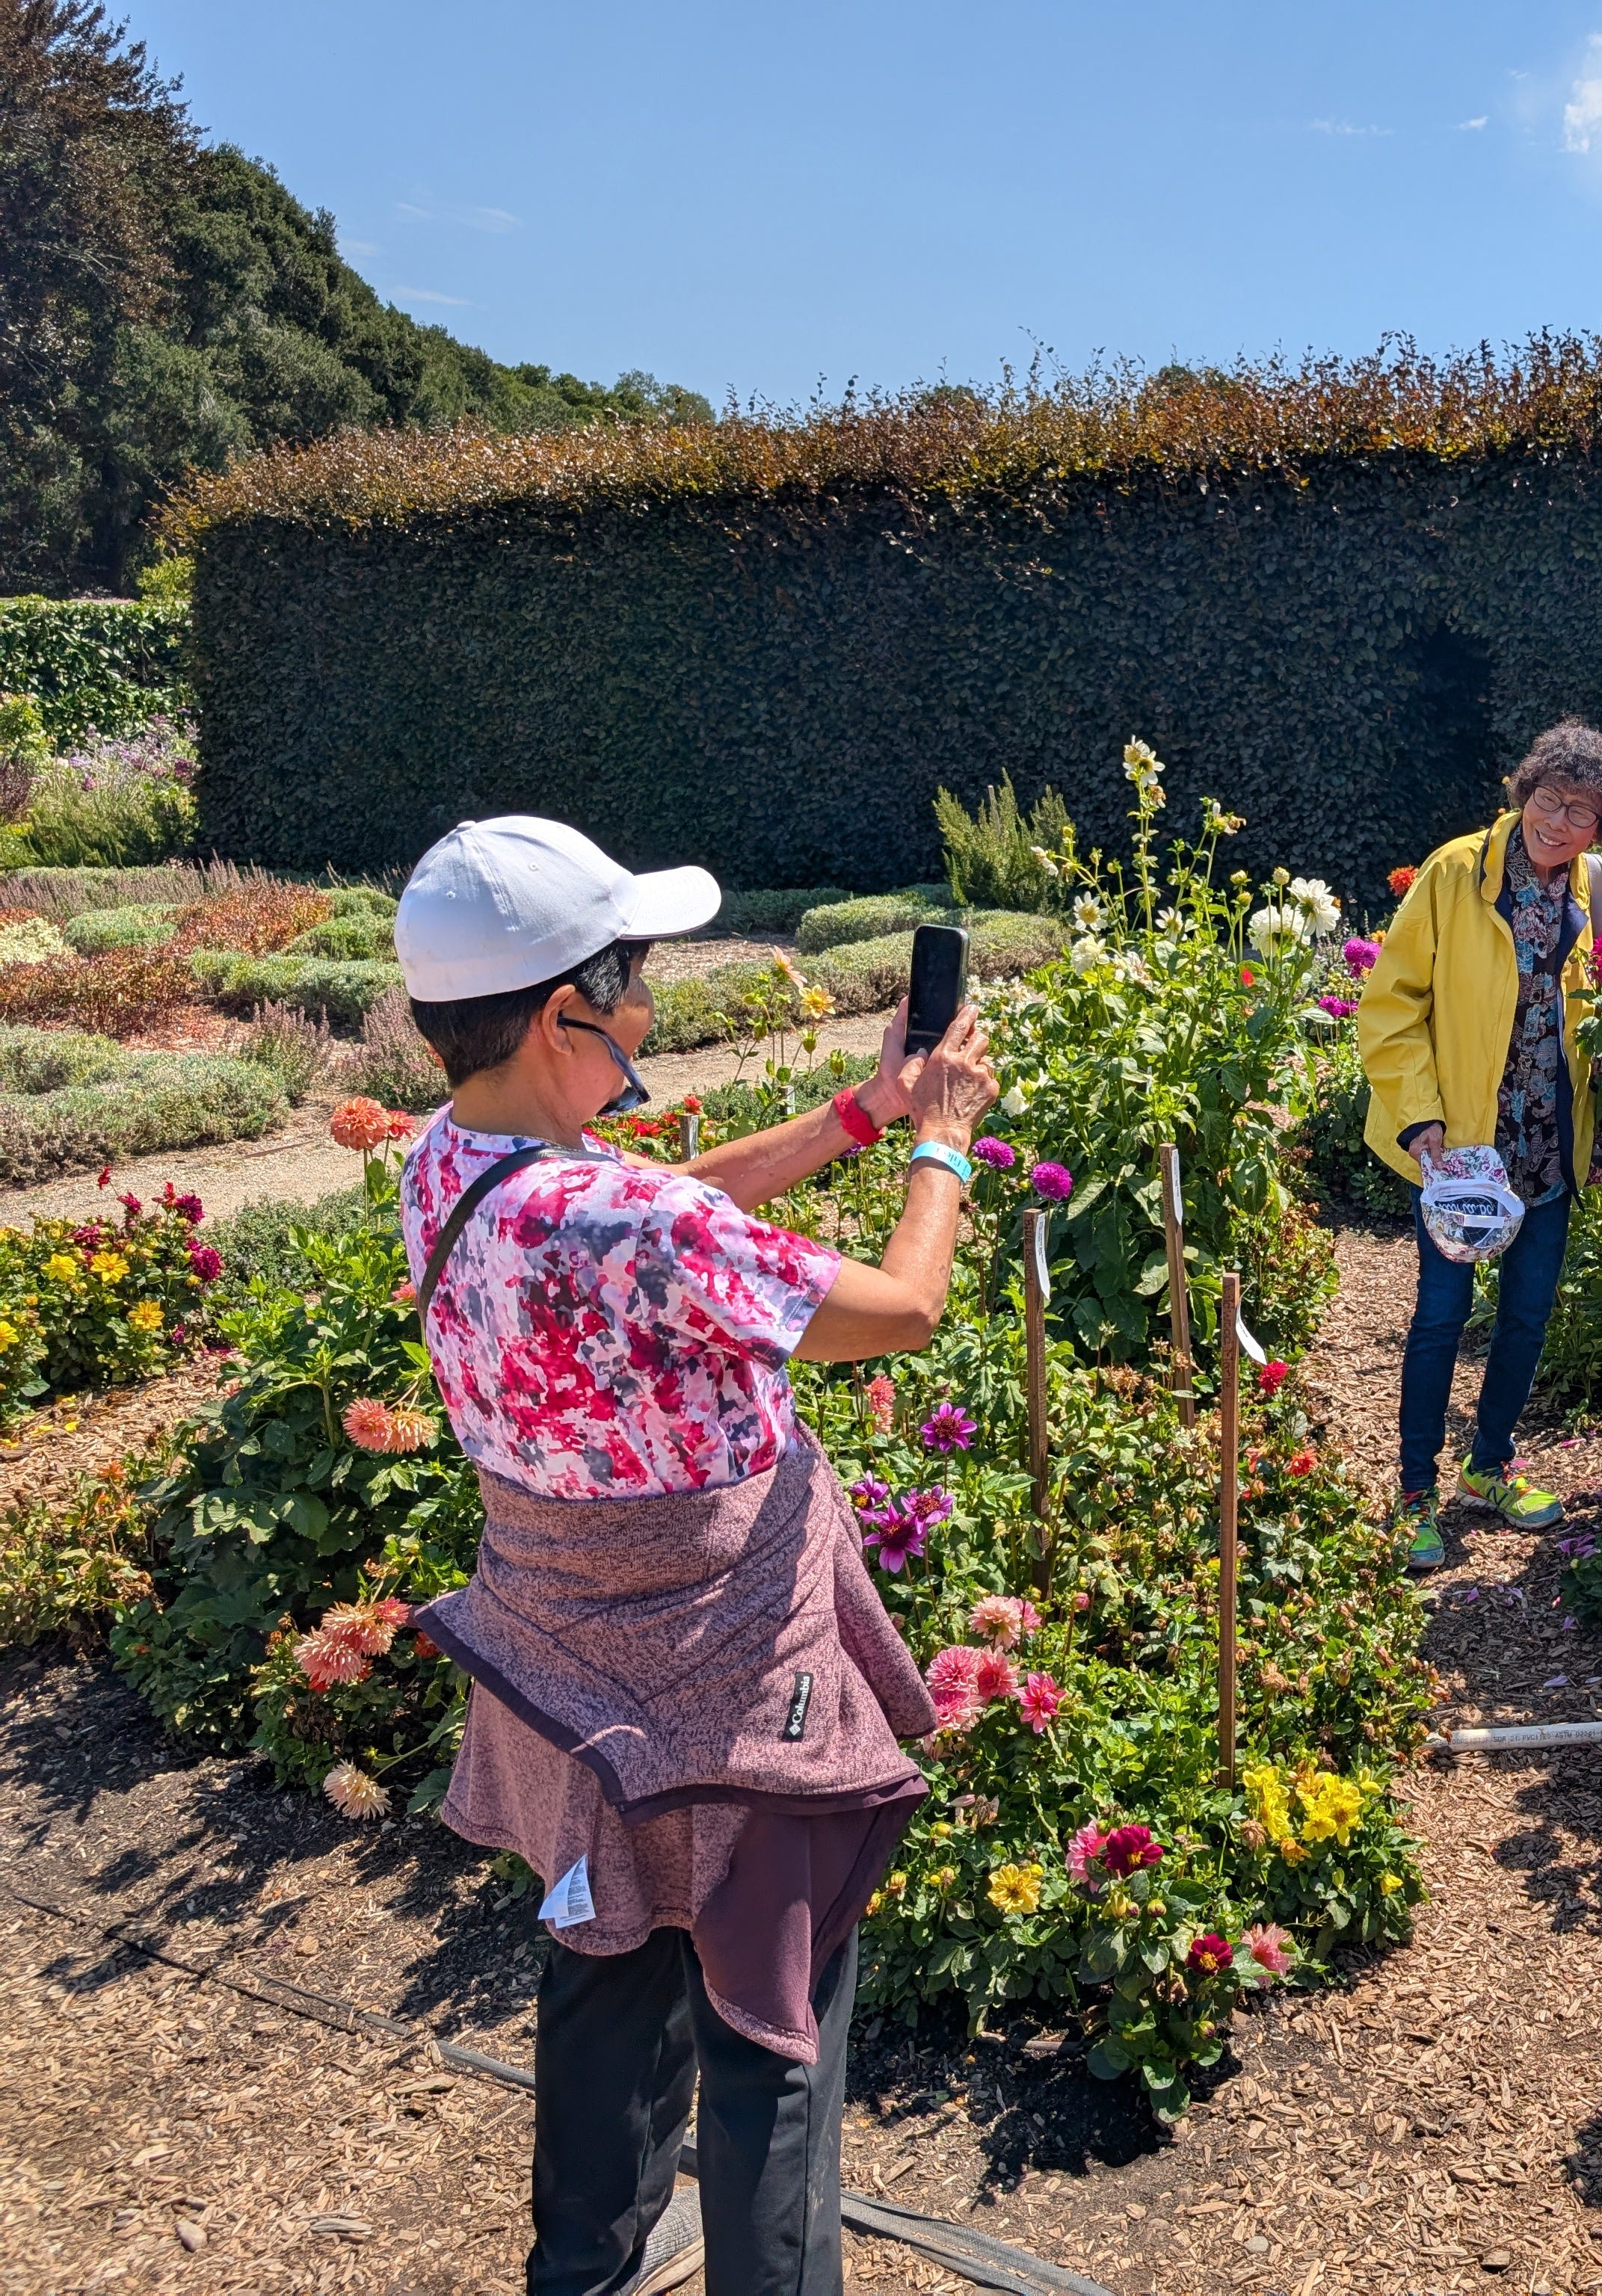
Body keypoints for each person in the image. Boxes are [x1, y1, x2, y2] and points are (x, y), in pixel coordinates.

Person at [389, 815, 999, 2296]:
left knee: (609, 1969)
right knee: (768, 2026)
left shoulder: (454, 1164)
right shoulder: (627, 1218)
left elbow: (678, 1208)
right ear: (565, 1016)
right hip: (731, 1688)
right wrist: (939, 1141)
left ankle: (582, 2270)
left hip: (572, 1676)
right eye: (637, 983)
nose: (651, 1010)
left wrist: (856, 1113)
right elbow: (902, 1308)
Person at [1356, 722, 1602, 1569]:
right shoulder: (1455, 873)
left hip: (1548, 1139)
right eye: (1549, 799)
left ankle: (1489, 1467)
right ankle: (1416, 1491)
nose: (1558, 822)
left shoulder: (1591, 885)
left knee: (1526, 1314)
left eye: (1581, 812)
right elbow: (1392, 1005)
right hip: (1462, 1148)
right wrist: (1419, 1116)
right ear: (1525, 791)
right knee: (1441, 1316)